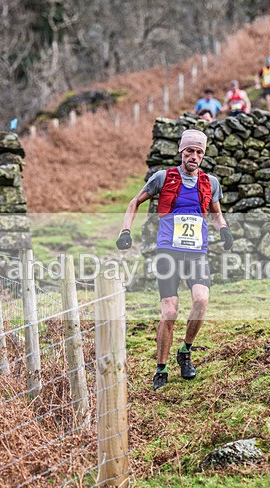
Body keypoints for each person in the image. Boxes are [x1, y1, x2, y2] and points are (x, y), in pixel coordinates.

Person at [116, 129, 234, 391]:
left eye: (199, 152)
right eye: (189, 151)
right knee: (169, 312)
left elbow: (216, 215)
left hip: (196, 253)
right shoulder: (163, 178)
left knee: (201, 300)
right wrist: (126, 230)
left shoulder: (210, 182)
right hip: (168, 252)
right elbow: (134, 202)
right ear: (181, 151)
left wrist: (224, 230)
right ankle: (161, 369)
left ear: (203, 155)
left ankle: (185, 351)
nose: (194, 156)